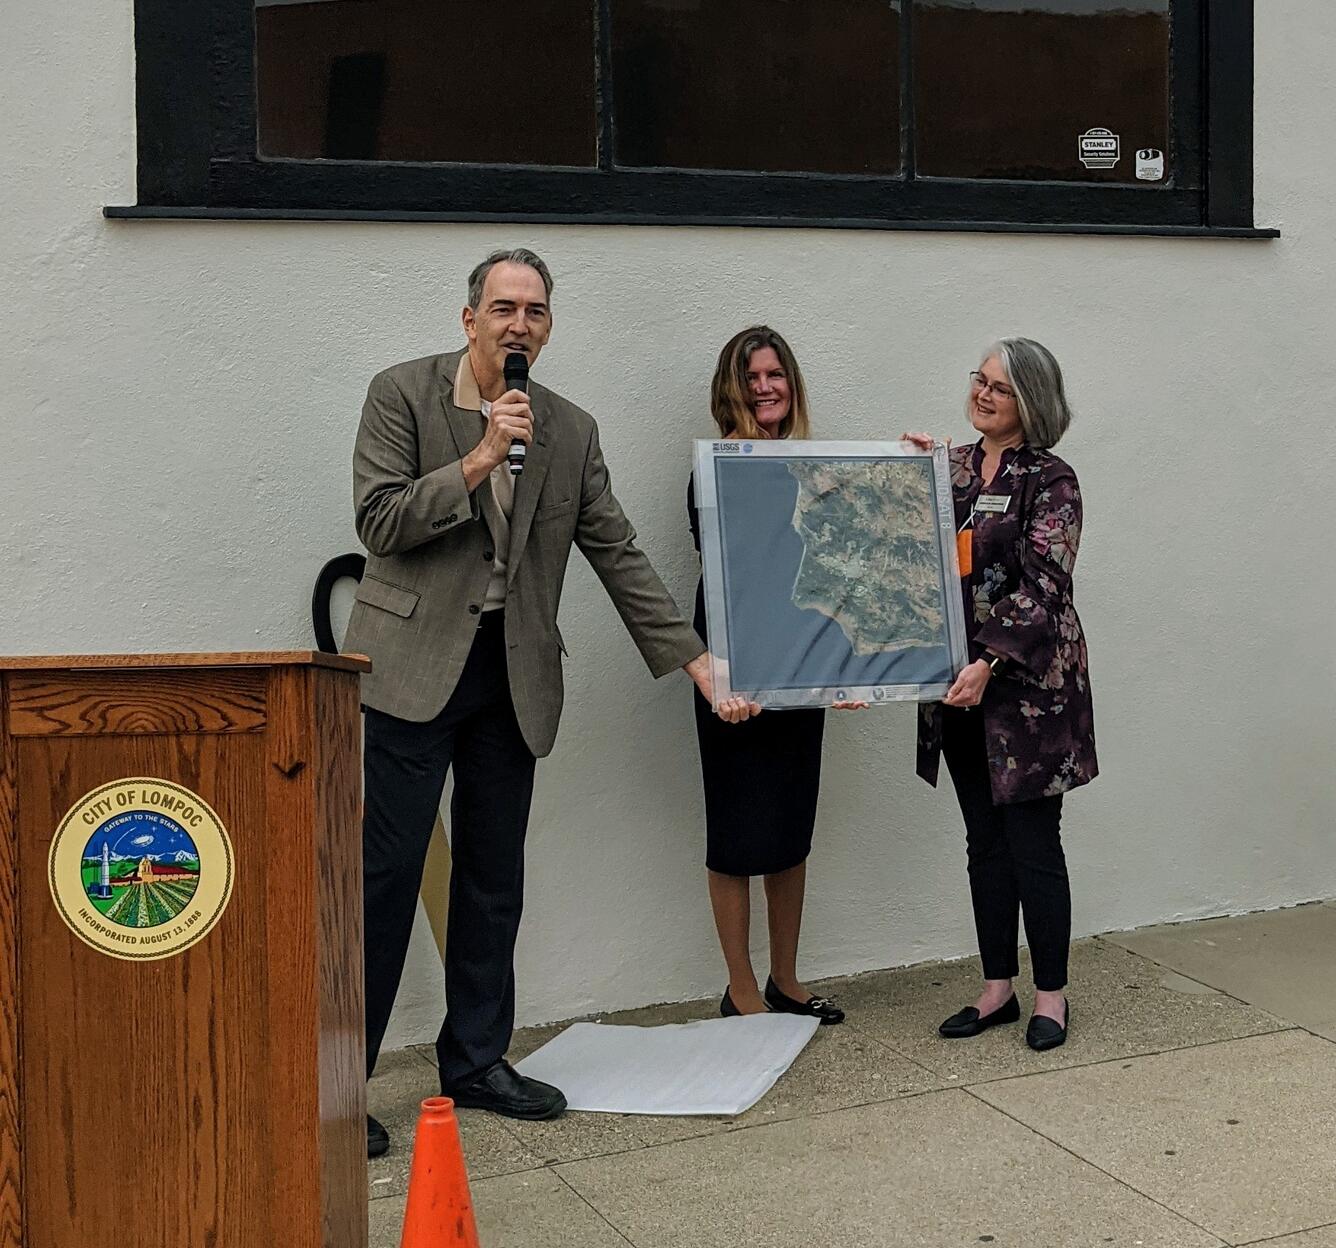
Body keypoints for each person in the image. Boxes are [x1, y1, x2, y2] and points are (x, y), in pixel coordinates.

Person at [345, 248, 755, 1157]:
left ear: (548, 327)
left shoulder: (569, 428)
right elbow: (378, 521)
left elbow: (616, 550)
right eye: (502, 307)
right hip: (414, 671)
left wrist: (697, 663)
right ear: (469, 320)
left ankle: (477, 1060)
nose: (518, 323)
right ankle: (339, 1088)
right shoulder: (402, 395)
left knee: (494, 880)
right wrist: (483, 454)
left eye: (534, 310)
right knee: (383, 881)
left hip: (513, 673)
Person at [905, 338, 1096, 1052]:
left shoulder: (1052, 480)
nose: (982, 394)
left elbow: (1044, 585)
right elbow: (908, 558)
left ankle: (1052, 995)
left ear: (1032, 404)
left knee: (1032, 844)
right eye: (978, 380)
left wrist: (987, 658)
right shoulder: (949, 470)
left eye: (1000, 388)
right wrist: (906, 474)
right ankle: (997, 990)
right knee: (983, 841)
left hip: (1026, 692)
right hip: (956, 690)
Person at [687, 326, 845, 1025]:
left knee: (789, 826)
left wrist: (847, 668)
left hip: (800, 656)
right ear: (731, 387)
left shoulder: (819, 466)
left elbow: (837, 572)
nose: (765, 387)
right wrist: (731, 673)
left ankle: (787, 979)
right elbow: (741, 572)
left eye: (776, 373)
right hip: (734, 657)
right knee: (735, 830)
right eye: (751, 376)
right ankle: (742, 988)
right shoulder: (715, 467)